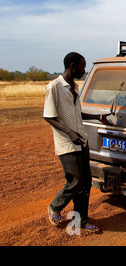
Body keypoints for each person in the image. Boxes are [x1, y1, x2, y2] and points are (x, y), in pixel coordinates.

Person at [44, 52, 111, 233]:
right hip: (67, 143)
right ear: (72, 66)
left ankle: (80, 221)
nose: (83, 70)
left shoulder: (74, 87)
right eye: (82, 67)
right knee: (76, 180)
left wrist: (99, 117)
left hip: (81, 140)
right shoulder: (54, 87)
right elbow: (49, 116)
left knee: (85, 183)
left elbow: (77, 114)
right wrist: (70, 133)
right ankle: (55, 206)